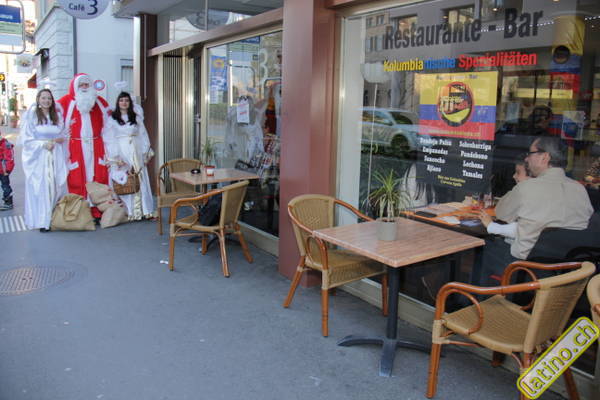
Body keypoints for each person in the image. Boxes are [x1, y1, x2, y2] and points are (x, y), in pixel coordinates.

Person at [495, 136, 593, 260]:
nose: (526, 158)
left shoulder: (526, 187)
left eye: (530, 153)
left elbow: (501, 213)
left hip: (526, 264)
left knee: (484, 246)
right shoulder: (580, 189)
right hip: (571, 264)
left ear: (544, 157)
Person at [57, 73, 110, 219]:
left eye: (87, 84)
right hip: (75, 147)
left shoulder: (100, 102)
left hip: (96, 146)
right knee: (75, 178)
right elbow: (54, 124)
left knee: (98, 177)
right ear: (75, 86)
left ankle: (98, 211)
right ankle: (79, 213)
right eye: (81, 85)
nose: (85, 87)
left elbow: (109, 126)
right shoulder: (64, 102)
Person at [20, 89, 68, 231]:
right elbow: (26, 139)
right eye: (44, 98)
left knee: (54, 186)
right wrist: (43, 144)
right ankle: (42, 220)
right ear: (38, 99)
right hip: (39, 157)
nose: (46, 101)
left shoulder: (56, 116)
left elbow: (63, 134)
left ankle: (53, 218)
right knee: (42, 187)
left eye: (49, 98)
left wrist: (58, 140)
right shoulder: (32, 115)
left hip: (55, 155)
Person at [104, 91, 155, 220]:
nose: (124, 103)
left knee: (140, 177)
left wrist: (145, 151)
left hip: (136, 150)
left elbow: (143, 134)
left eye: (126, 100)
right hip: (122, 151)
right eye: (121, 100)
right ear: (118, 102)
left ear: (130, 103)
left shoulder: (136, 118)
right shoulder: (112, 119)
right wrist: (116, 157)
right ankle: (130, 211)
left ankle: (145, 210)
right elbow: (109, 138)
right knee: (126, 179)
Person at [478, 158, 530, 240]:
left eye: (518, 173)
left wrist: (492, 226)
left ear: (531, 176)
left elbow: (523, 229)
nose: (514, 176)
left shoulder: (526, 194)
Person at [0, 130, 15, 210]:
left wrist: (8, 170)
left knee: (5, 186)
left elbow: (10, 158)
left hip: (4, 171)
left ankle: (8, 202)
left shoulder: (5, 144)